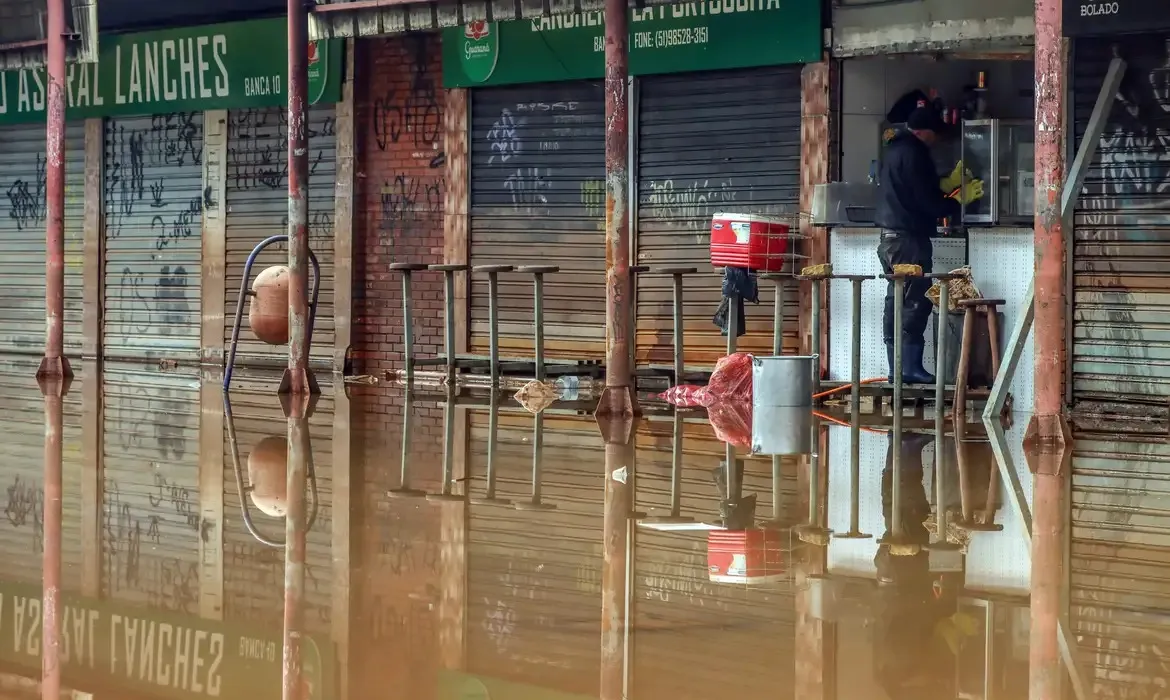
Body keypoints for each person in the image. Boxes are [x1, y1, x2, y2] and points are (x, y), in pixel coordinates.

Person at [874, 104, 984, 384]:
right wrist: (955, 200)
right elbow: (925, 201)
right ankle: (907, 369)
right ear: (924, 132)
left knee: (897, 300)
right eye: (935, 134)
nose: (936, 140)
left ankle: (898, 369)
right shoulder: (915, 152)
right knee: (913, 302)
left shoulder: (896, 149)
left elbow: (914, 189)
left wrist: (945, 185)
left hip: (890, 239)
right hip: (908, 240)